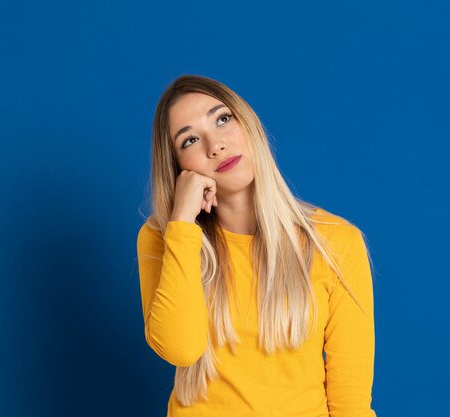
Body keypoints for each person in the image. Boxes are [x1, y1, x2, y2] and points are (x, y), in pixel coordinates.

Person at [136, 74, 377, 416]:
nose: (214, 145)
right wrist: (181, 223)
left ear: (250, 125)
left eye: (222, 119)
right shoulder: (166, 237)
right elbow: (181, 348)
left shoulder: (335, 243)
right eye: (189, 140)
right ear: (178, 168)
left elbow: (350, 403)